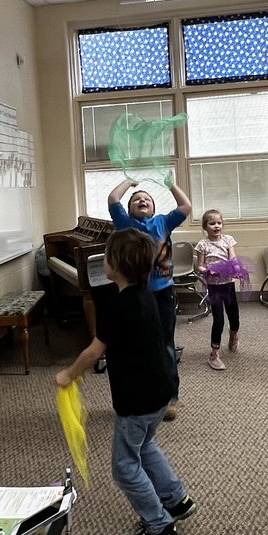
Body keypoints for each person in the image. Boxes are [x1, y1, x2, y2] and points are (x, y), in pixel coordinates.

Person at [55, 228, 196, 535]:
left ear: (115, 265)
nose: (102, 262)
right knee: (145, 445)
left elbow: (93, 352)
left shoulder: (116, 306)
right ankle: (177, 500)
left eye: (105, 257)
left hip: (137, 400)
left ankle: (160, 528)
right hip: (160, 392)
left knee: (124, 466)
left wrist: (68, 374)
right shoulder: (147, 294)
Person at [108, 176, 192, 420]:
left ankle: (171, 398)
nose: (142, 201)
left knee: (165, 344)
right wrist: (129, 182)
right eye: (137, 200)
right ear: (131, 208)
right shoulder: (125, 224)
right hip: (136, 294)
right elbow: (113, 199)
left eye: (147, 199)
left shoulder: (163, 222)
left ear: (154, 208)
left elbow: (185, 207)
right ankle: (144, 395)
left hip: (163, 292)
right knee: (138, 345)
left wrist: (170, 184)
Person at [193, 209, 240, 371]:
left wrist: (236, 268)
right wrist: (207, 270)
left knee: (234, 317)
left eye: (219, 223)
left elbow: (232, 257)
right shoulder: (202, 244)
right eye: (212, 223)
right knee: (218, 320)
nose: (216, 226)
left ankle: (233, 334)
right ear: (205, 227)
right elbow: (200, 265)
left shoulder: (228, 240)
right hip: (214, 287)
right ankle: (214, 353)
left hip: (228, 285)